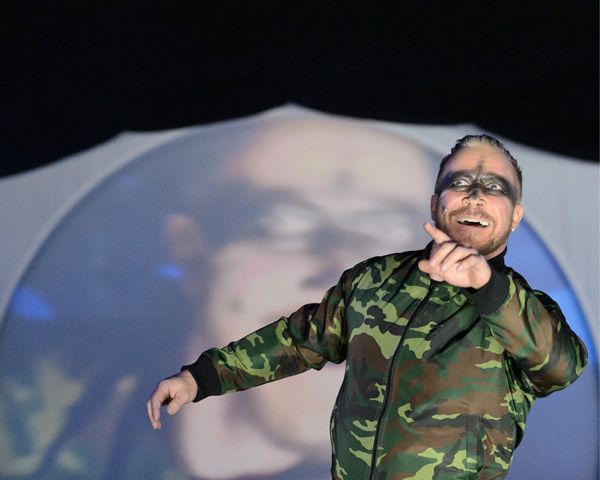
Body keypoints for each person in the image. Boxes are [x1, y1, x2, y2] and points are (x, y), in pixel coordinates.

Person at [146, 134, 588, 480]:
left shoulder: (523, 312)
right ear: (435, 204)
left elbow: (561, 366)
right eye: (459, 183)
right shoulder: (374, 280)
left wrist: (487, 286)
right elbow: (299, 341)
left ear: (515, 216)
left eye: (494, 188)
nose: (474, 196)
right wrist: (200, 378)